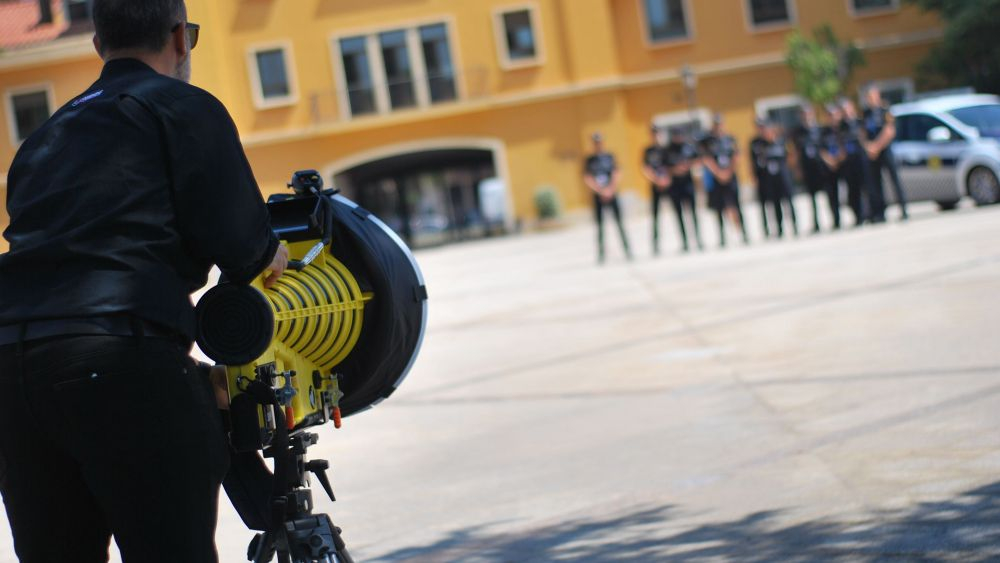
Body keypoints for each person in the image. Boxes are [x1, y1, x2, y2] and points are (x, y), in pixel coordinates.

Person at [0, 1, 289, 562]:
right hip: (120, 358)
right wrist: (267, 251)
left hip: (12, 370)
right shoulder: (183, 107)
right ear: (180, 37)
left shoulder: (45, 137)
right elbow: (242, 247)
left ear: (98, 45)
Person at [700, 114, 748, 247]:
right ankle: (722, 236)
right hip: (716, 178)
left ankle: (743, 233)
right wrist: (718, 173)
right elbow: (706, 159)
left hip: (730, 176)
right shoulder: (708, 141)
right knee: (719, 207)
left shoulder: (731, 139)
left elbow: (737, 156)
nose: (718, 126)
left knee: (736, 205)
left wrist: (729, 171)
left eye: (720, 123)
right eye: (716, 124)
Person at [584, 132, 632, 263]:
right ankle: (601, 254)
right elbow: (588, 178)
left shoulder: (609, 156)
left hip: (612, 193)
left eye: (599, 141)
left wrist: (610, 189)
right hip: (598, 195)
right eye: (595, 142)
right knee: (600, 226)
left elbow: (617, 173)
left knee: (619, 223)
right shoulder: (589, 160)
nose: (598, 144)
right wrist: (601, 191)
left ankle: (627, 250)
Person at [863, 85, 908, 222]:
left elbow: (890, 131)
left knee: (895, 180)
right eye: (868, 97)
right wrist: (868, 146)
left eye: (873, 95)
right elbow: (862, 133)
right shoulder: (865, 114)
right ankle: (880, 214)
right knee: (876, 183)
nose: (871, 99)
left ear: (877, 95)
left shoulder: (885, 110)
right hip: (872, 153)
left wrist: (876, 146)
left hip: (885, 150)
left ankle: (903, 210)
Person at [794, 106, 838, 233]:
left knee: (830, 195)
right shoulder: (798, 133)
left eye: (808, 113)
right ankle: (816, 223)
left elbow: (827, 146)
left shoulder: (820, 130)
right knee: (812, 198)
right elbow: (796, 152)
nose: (806, 116)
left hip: (822, 168)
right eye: (804, 114)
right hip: (808, 169)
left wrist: (831, 160)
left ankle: (836, 220)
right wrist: (797, 168)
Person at [664, 126, 704, 252]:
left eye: (680, 135)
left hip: (688, 184)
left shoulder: (689, 147)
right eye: (676, 135)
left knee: (693, 213)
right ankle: (684, 241)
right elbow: (664, 166)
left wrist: (687, 166)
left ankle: (698, 239)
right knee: (679, 215)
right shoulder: (668, 150)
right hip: (675, 186)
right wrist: (675, 170)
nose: (678, 137)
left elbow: (699, 159)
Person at [839, 97, 876, 226]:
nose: (846, 112)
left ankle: (872, 214)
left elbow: (866, 138)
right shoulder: (842, 126)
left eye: (847, 109)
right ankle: (858, 217)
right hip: (849, 162)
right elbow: (840, 143)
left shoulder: (860, 122)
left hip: (861, 159)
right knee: (853, 191)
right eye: (843, 110)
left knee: (868, 188)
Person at [760, 121, 799, 238]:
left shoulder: (782, 142)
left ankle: (795, 225)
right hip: (772, 180)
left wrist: (790, 168)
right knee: (776, 204)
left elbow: (791, 155)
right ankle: (780, 228)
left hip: (783, 177)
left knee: (789, 202)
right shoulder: (763, 146)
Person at [641, 124, 672, 256]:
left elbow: (671, 165)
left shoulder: (666, 149)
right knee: (655, 216)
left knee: (678, 212)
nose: (655, 136)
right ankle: (655, 244)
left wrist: (666, 179)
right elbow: (645, 168)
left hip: (668, 184)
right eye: (653, 133)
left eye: (657, 133)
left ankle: (686, 241)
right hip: (656, 185)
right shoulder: (648, 151)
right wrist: (657, 180)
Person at [819, 104, 846, 231]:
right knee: (832, 195)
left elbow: (847, 145)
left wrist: (839, 158)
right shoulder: (824, 132)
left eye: (833, 114)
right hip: (829, 166)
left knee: (853, 190)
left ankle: (860, 215)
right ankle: (836, 220)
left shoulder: (844, 128)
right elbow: (821, 149)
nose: (832, 117)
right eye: (829, 115)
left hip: (844, 164)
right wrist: (831, 161)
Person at [749, 118, 772, 238]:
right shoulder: (754, 142)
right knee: (763, 204)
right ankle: (766, 228)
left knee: (776, 202)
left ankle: (780, 227)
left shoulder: (771, 139)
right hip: (761, 176)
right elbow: (751, 161)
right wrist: (753, 177)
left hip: (772, 176)